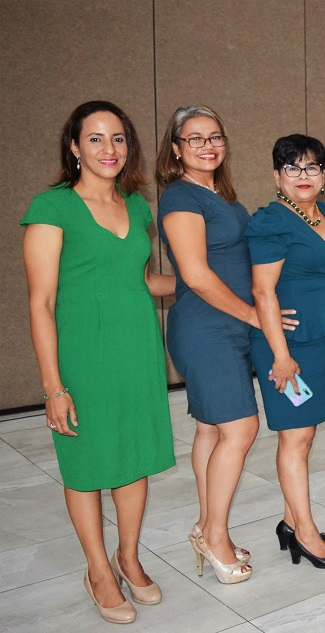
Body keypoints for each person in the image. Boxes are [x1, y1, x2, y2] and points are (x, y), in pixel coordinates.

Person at [22, 101, 176, 624]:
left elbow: (143, 281)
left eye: (117, 139)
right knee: (87, 467)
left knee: (133, 458)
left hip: (137, 350)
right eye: (95, 138)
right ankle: (97, 569)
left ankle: (128, 556)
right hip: (83, 356)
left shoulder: (136, 207)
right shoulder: (52, 207)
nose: (108, 149)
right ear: (74, 147)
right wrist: (53, 387)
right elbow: (41, 302)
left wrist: (202, 283)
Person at [156, 105, 295, 583]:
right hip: (207, 328)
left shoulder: (222, 197)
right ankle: (215, 538)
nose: (207, 146)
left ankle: (205, 526)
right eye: (194, 139)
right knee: (241, 429)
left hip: (229, 326)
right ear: (176, 150)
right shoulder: (180, 197)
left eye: (214, 136)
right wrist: (257, 316)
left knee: (212, 432)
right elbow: (194, 276)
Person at [247, 134, 325, 569]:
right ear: (277, 176)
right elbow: (262, 290)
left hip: (318, 338)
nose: (303, 176)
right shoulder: (272, 221)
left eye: (312, 167)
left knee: (305, 434)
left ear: (324, 176)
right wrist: (280, 355)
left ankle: (290, 523)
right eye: (292, 168)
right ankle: (306, 535)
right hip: (284, 345)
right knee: (295, 436)